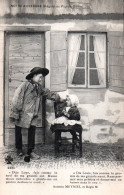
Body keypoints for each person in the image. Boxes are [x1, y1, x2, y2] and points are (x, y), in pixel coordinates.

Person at [10, 67, 60, 160]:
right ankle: (19, 149)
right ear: (33, 76)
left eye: (42, 78)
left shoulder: (39, 87)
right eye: (40, 77)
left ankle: (30, 151)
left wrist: (58, 97)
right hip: (22, 112)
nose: (41, 79)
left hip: (33, 113)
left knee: (32, 130)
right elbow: (17, 98)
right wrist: (17, 111)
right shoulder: (24, 85)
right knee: (18, 129)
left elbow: (47, 93)